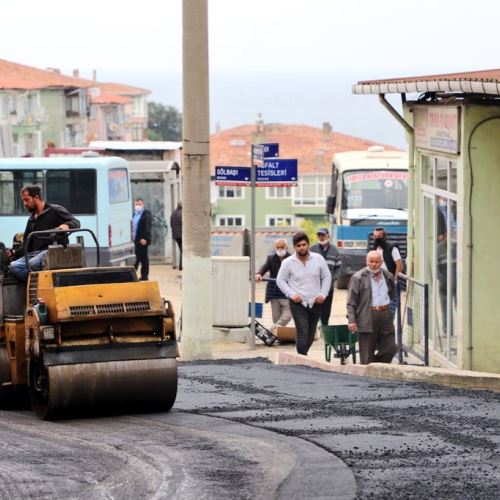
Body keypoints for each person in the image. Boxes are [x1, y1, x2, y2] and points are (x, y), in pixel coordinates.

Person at [8, 185, 80, 281]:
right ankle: (36, 284)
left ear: (36, 197)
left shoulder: (55, 210)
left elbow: (76, 222)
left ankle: (40, 285)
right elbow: (26, 246)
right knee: (14, 266)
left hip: (53, 251)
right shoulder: (31, 220)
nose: (24, 203)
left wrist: (66, 226)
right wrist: (12, 253)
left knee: (33, 264)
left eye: (26, 199)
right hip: (34, 254)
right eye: (23, 200)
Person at [277, 232, 331, 356]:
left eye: (304, 244)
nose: (302, 247)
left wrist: (323, 294)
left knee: (311, 334)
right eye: (298, 245)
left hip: (316, 301)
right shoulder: (288, 262)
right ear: (294, 247)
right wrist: (291, 294)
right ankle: (302, 361)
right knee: (302, 331)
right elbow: (281, 281)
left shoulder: (318, 259)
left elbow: (327, 276)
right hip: (298, 302)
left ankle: (301, 359)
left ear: (308, 245)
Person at [346, 250, 398, 365]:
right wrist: (351, 320)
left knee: (391, 348)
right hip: (367, 316)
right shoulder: (358, 277)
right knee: (367, 353)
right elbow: (351, 302)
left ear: (381, 262)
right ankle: (368, 372)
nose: (373, 264)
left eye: (376, 262)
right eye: (371, 261)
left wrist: (391, 313)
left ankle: (376, 365)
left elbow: (394, 296)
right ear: (366, 261)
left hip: (385, 315)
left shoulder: (388, 276)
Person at [255, 238, 292, 330]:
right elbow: (264, 268)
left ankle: (272, 330)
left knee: (288, 315)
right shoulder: (271, 258)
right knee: (276, 318)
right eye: (278, 247)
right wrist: (259, 274)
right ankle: (278, 335)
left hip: (287, 292)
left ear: (286, 247)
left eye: (282, 247)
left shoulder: (292, 259)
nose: (280, 249)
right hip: (274, 293)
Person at [310, 227, 342, 326]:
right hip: (314, 286)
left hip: (329, 288)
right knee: (314, 310)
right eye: (319, 235)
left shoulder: (335, 250)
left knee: (326, 311)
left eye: (323, 235)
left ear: (328, 235)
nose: (321, 237)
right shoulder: (312, 249)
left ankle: (324, 329)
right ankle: (313, 330)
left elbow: (339, 267)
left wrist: (333, 278)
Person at [132, 198, 152, 281]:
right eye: (136, 204)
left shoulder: (146, 214)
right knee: (135, 258)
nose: (137, 206)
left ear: (143, 204)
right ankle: (132, 275)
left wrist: (145, 238)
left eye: (139, 204)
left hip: (142, 240)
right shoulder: (134, 215)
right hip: (134, 240)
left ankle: (144, 276)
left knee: (143, 259)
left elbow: (147, 227)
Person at [170, 201, 183, 271]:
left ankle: (181, 265)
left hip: (175, 235)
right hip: (181, 235)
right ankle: (181, 266)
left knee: (181, 249)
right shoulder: (182, 213)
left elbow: (171, 224)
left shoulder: (173, 213)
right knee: (182, 250)